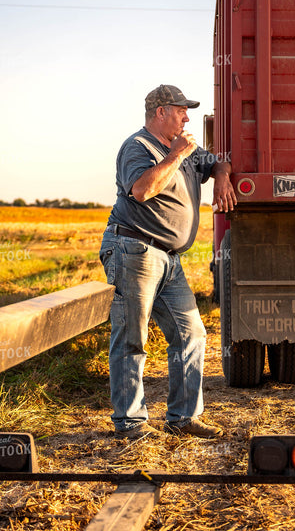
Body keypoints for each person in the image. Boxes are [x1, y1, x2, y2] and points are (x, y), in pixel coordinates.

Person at [99, 84, 237, 441]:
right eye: (180, 110)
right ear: (160, 112)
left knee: (191, 334)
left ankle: (183, 417)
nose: (187, 116)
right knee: (132, 338)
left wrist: (221, 175)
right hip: (134, 250)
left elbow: (220, 161)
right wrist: (175, 156)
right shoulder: (138, 147)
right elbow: (142, 190)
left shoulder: (186, 149)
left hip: (169, 260)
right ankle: (130, 424)